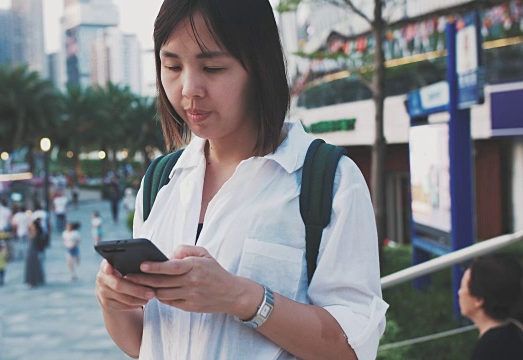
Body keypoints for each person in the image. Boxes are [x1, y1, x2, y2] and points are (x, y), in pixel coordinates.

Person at [94, 1, 387, 359]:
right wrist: (114, 302)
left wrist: (241, 297)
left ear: (258, 67)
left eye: (213, 67)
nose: (189, 88)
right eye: (171, 65)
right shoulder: (161, 181)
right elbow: (144, 345)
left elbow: (354, 349)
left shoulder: (328, 180)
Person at [458, 254, 523, 360]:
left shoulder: (488, 350)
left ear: (478, 300)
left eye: (462, 287)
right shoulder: (514, 330)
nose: (459, 293)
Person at [24, 219, 45, 288]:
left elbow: (40, 244)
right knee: (29, 266)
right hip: (29, 252)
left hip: (35, 251)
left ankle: (35, 281)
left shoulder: (38, 233)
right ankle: (30, 281)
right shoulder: (29, 233)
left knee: (35, 267)